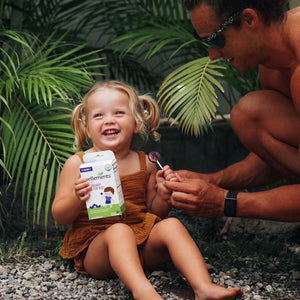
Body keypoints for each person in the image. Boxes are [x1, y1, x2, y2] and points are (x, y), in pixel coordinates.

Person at [51, 80, 242, 300]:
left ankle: (203, 287)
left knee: (171, 225)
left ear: (137, 123)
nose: (109, 120)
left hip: (141, 245)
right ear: (86, 127)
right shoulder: (78, 164)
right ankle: (143, 291)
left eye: (119, 113)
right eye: (99, 116)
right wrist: (77, 198)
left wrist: (163, 195)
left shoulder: (145, 163)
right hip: (98, 251)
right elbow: (60, 216)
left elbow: (155, 213)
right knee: (119, 231)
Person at [164, 0, 300, 222]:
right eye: (205, 42)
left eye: (215, 39)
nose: (213, 55)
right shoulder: (273, 65)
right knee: (250, 116)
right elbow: (277, 158)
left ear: (249, 19)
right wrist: (214, 181)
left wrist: (224, 202)